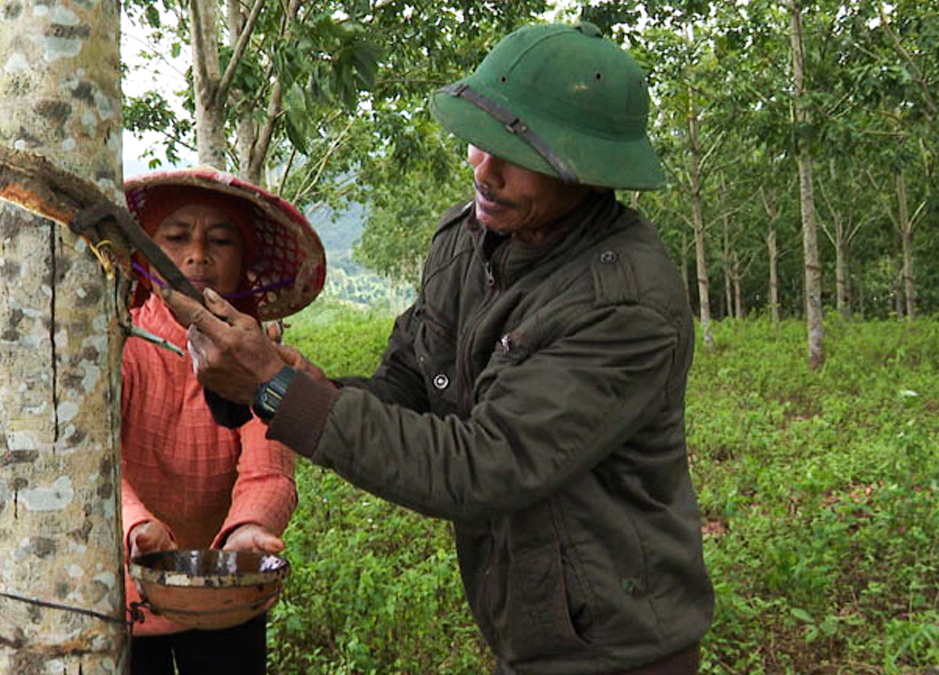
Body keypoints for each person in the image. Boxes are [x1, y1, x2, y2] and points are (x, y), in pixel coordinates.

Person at [161, 22, 715, 675]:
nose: (484, 167)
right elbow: (407, 386)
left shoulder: (622, 305)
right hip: (530, 625)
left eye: (520, 153)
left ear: (587, 173)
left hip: (620, 648)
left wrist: (280, 392)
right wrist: (298, 381)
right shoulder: (466, 241)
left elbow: (485, 465)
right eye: (482, 140)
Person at [118, 168, 326, 675]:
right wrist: (135, 525)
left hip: (227, 592)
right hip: (121, 594)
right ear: (147, 253)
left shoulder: (259, 357)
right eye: (175, 236)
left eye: (220, 239)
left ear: (244, 262)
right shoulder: (120, 347)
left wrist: (250, 530)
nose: (198, 256)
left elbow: (269, 470)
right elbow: (96, 466)